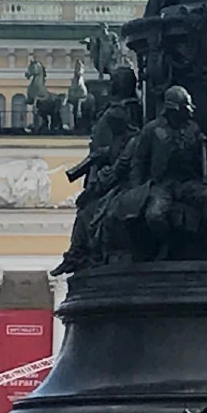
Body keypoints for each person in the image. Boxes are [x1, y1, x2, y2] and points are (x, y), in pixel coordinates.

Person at [118, 86, 207, 261]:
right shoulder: (152, 130)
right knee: (154, 215)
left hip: (188, 182)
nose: (190, 111)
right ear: (174, 109)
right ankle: (166, 244)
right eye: (187, 107)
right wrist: (136, 190)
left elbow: (204, 161)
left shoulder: (193, 128)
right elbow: (139, 161)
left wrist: (202, 147)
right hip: (162, 184)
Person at [55, 65, 144, 273]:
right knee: (86, 208)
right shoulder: (118, 109)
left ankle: (81, 254)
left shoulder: (125, 112)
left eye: (115, 81)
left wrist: (106, 161)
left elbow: (125, 153)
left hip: (112, 171)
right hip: (103, 167)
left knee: (88, 211)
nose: (111, 85)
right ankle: (81, 254)